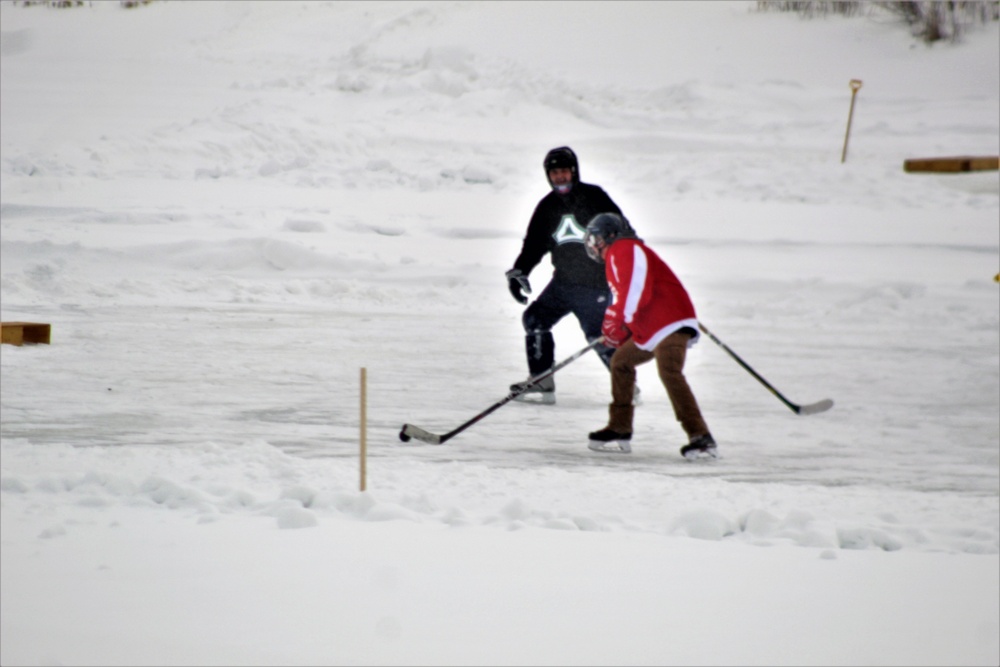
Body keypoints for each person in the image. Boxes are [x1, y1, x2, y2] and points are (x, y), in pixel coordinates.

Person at [581, 212, 716, 459]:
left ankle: (700, 436)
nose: (593, 244)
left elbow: (634, 289)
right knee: (621, 361)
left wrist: (615, 318)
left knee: (669, 371)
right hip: (653, 328)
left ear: (610, 236)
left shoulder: (625, 247)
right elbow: (632, 294)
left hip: (669, 323)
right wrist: (622, 330)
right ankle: (619, 427)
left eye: (596, 238)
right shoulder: (619, 253)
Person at [504, 146, 629, 405]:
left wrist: (633, 265)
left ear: (574, 172)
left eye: (564, 171)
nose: (559, 177)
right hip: (562, 284)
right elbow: (534, 245)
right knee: (535, 319)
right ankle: (541, 379)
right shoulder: (547, 206)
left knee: (598, 335)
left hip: (595, 285)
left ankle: (627, 385)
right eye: (554, 173)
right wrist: (520, 271)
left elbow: (623, 231)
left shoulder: (595, 197)